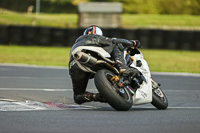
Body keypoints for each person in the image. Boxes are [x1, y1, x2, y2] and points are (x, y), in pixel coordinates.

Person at [69, 25, 140, 104]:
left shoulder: (77, 43)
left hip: (74, 64)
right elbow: (116, 41)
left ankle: (95, 96)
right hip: (90, 54)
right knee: (116, 44)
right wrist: (132, 43)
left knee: (78, 96)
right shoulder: (95, 37)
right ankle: (122, 66)